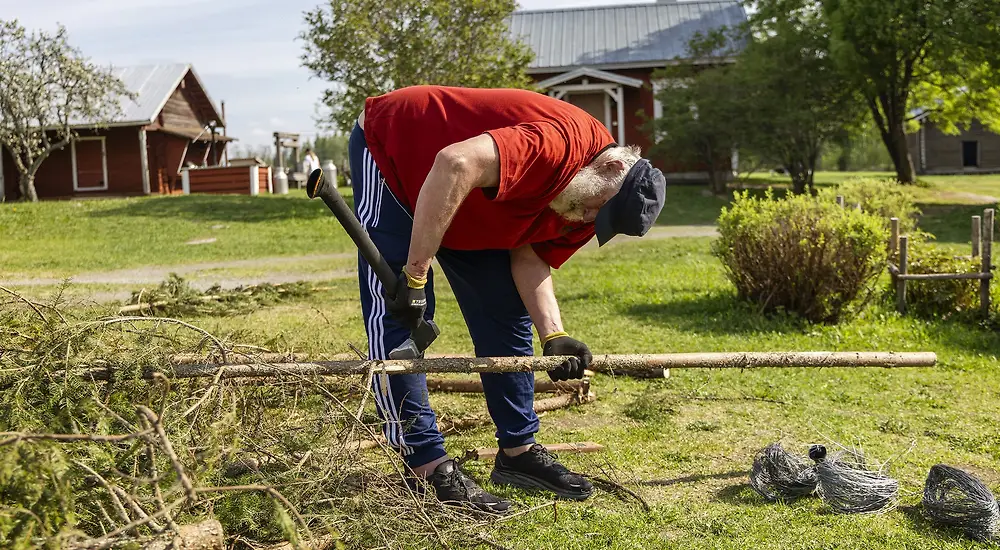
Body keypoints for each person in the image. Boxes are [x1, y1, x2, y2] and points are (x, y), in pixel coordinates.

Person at [349, 85, 666, 513]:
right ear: (610, 166)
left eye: (600, 220)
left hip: (468, 199)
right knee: (401, 314)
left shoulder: (587, 199)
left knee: (506, 311)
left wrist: (554, 335)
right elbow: (455, 162)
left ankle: (518, 452)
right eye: (599, 209)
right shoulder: (557, 145)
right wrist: (416, 273)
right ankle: (425, 464)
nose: (590, 219)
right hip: (397, 157)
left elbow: (530, 257)